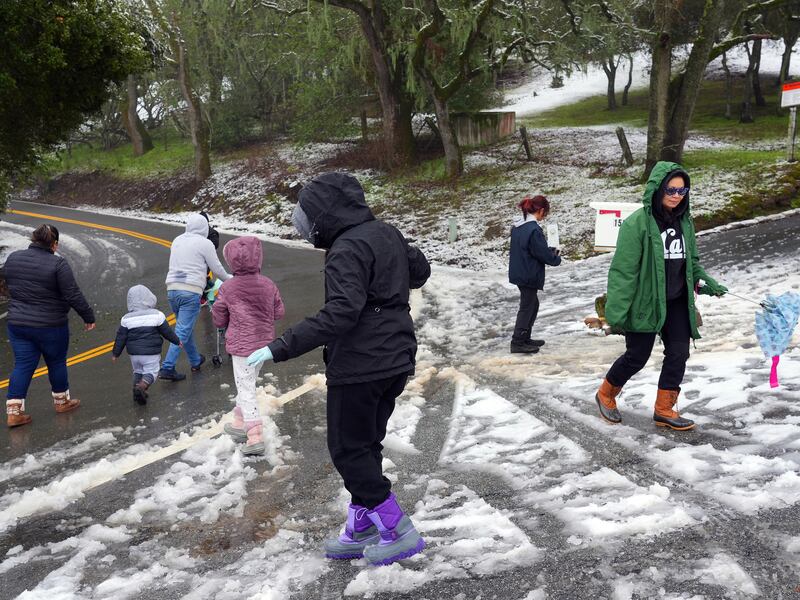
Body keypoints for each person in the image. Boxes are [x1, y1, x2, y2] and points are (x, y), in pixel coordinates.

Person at [246, 172, 431, 566]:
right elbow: (419, 271)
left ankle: (398, 529)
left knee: (347, 450)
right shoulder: (386, 233)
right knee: (365, 444)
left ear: (325, 214)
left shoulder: (346, 248)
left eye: (309, 216)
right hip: (396, 357)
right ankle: (361, 524)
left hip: (362, 363)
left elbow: (342, 312)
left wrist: (280, 346)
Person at [595, 161, 728, 431]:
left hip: (677, 300)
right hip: (646, 301)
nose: (676, 195)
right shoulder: (637, 224)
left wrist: (706, 281)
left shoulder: (684, 222)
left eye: (682, 191)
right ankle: (606, 393)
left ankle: (664, 409)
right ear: (657, 188)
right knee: (637, 356)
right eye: (671, 189)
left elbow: (692, 261)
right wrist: (616, 313)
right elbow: (623, 271)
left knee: (679, 352)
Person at [4, 224, 95, 427]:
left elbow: (8, 283)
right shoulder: (58, 264)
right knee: (56, 362)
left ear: (33, 240)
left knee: (22, 365)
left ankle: (14, 412)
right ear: (54, 244)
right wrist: (87, 316)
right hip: (50, 324)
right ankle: (62, 402)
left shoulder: (13, 258)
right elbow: (72, 293)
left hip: (18, 323)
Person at [211, 236, 285, 456]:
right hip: (263, 345)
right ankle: (239, 420)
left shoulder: (228, 287)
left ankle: (253, 435)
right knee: (247, 382)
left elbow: (219, 317)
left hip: (242, 346)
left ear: (230, 260)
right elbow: (279, 312)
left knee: (246, 387)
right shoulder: (268, 284)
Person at [159, 214, 231, 381]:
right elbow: (217, 268)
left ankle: (195, 360)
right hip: (190, 291)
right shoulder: (205, 243)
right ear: (205, 228)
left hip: (172, 289)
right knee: (183, 330)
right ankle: (167, 367)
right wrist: (230, 279)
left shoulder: (177, 240)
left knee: (184, 328)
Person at [508, 195, 562, 354]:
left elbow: (530, 249)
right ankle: (518, 342)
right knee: (527, 306)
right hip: (528, 273)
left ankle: (525, 337)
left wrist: (547, 252)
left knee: (532, 304)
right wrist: (555, 258)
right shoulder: (533, 229)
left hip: (520, 271)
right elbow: (541, 253)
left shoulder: (518, 226)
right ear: (541, 210)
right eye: (544, 214)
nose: (543, 217)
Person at [111, 285, 181, 405]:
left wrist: (115, 354)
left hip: (134, 355)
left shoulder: (126, 319)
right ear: (149, 298)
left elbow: (120, 337)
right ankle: (142, 387)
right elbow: (167, 332)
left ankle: (136, 391)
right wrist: (177, 341)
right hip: (150, 353)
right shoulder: (157, 315)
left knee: (137, 372)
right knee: (152, 372)